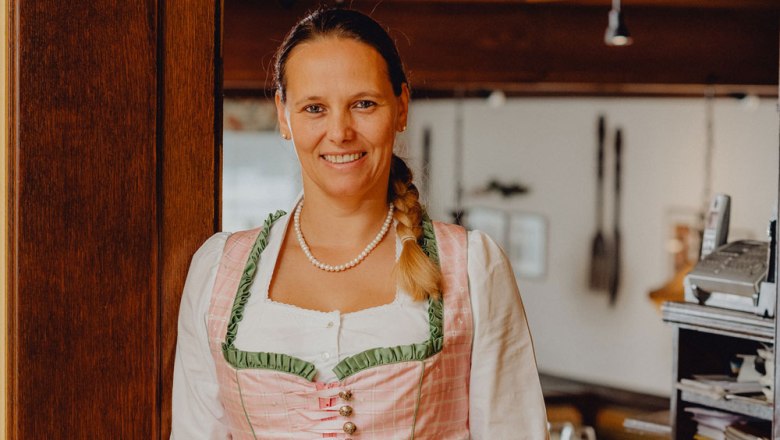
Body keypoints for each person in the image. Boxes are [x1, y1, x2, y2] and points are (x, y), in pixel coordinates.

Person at [171, 6, 548, 439]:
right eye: (314, 108)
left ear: (401, 107)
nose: (340, 132)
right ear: (283, 115)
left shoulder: (471, 267)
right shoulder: (217, 271)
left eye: (363, 104)